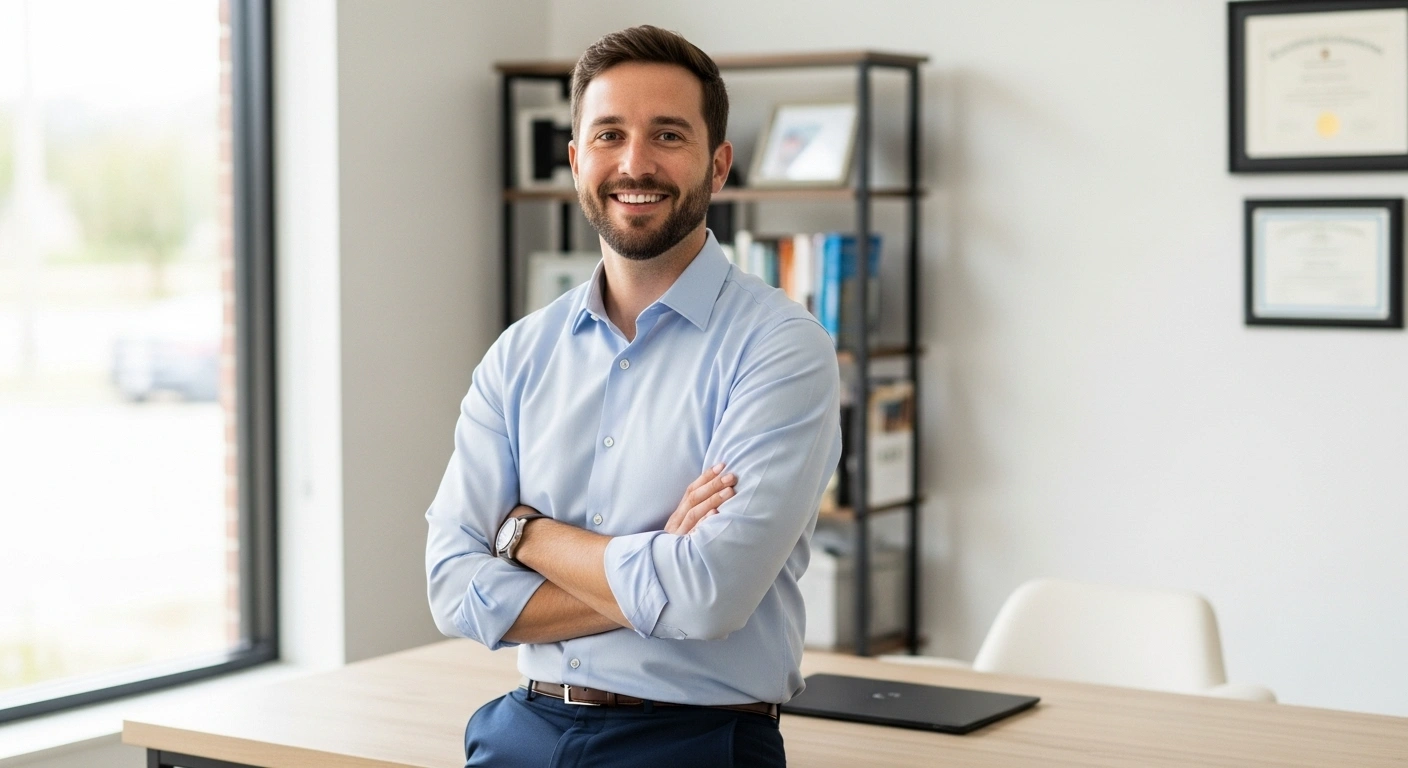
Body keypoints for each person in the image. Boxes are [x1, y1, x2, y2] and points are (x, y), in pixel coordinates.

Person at [425, 25, 841, 768]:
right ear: (577, 158)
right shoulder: (520, 353)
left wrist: (525, 537)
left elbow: (708, 595)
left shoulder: (782, 348)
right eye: (609, 134)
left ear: (717, 166)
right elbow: (454, 590)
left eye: (668, 135)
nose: (635, 163)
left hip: (698, 742)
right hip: (521, 728)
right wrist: (657, 569)